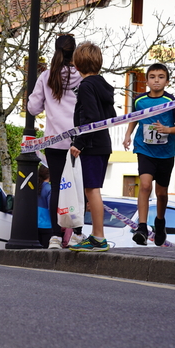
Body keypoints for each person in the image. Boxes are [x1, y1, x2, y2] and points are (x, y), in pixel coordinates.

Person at [27, 34, 82, 249]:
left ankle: (54, 237)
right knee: (78, 187)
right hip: (78, 141)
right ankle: (77, 234)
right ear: (75, 52)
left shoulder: (47, 76)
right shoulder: (82, 76)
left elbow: (33, 108)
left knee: (57, 189)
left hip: (54, 141)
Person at [123, 63, 175, 246]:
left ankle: (160, 222)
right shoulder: (139, 100)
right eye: (152, 77)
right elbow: (134, 118)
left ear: (167, 81)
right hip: (145, 149)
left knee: (161, 193)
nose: (156, 80)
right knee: (144, 186)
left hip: (165, 152)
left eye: (160, 77)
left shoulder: (172, 101)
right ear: (146, 81)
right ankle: (142, 227)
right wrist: (128, 135)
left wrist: (167, 129)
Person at [69, 41, 116, 252]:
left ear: (77, 65)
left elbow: (91, 117)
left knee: (92, 190)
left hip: (91, 144)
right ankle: (97, 235)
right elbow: (110, 115)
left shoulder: (86, 86)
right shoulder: (104, 85)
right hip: (103, 142)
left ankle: (98, 237)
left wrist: (79, 142)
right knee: (92, 189)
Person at [36, 164, 52, 248]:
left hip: (35, 224)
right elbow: (51, 207)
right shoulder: (49, 189)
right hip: (47, 224)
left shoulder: (35, 187)